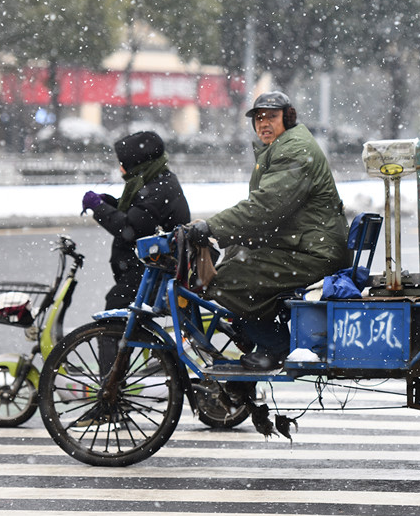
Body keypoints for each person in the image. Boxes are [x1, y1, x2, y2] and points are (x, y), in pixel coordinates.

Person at [187, 91, 349, 371]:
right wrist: (231, 236)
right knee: (238, 253)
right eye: (259, 118)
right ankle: (256, 331)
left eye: (271, 117)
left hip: (314, 252)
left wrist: (211, 227)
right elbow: (268, 213)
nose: (263, 124)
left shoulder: (293, 150)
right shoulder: (282, 147)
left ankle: (275, 345)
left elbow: (265, 207)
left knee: (225, 281)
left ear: (288, 117)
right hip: (308, 244)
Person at [81, 130, 191, 374]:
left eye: (124, 164)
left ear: (137, 164)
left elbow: (129, 228)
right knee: (123, 320)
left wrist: (99, 208)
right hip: (150, 270)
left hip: (153, 274)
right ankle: (119, 374)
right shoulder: (155, 181)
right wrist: (107, 201)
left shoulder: (156, 189)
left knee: (112, 319)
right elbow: (135, 213)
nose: (121, 170)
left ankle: (111, 385)